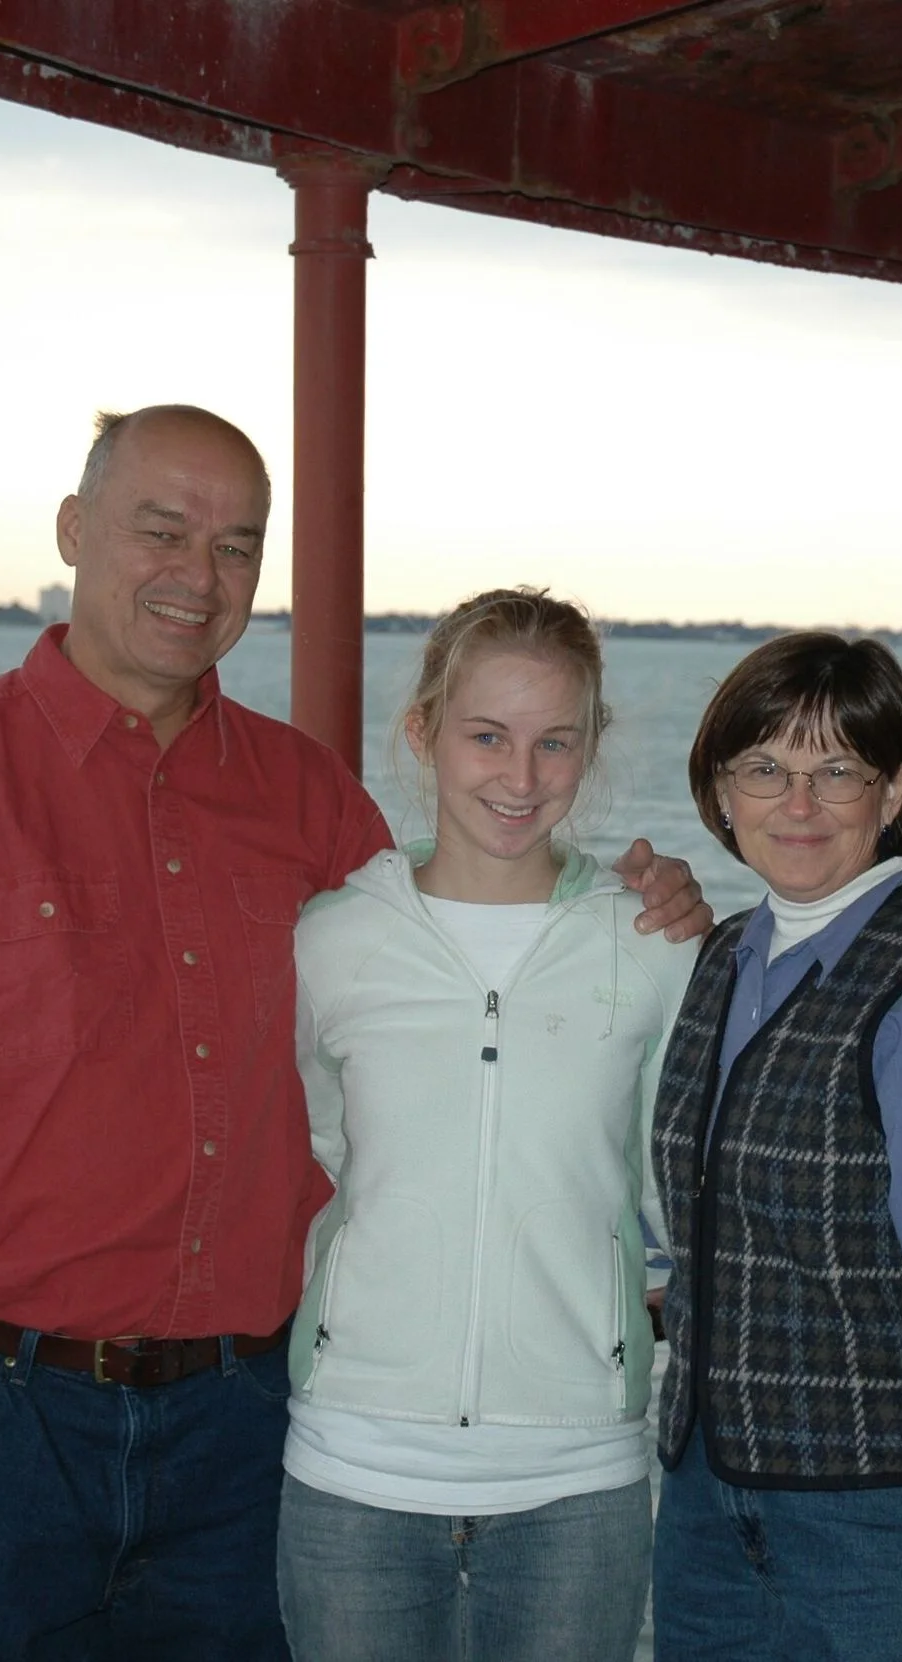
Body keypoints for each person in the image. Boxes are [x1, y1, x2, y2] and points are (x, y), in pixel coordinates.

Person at [0, 406, 706, 1657]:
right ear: (76, 530)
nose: (200, 574)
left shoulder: (305, 801)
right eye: (162, 530)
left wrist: (632, 898)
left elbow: (461, 934)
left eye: (238, 546)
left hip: (251, 1425)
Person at [276, 587, 695, 1662]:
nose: (520, 778)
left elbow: (675, 1179)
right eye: (487, 737)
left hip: (578, 1478)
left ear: (591, 745)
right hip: (354, 1467)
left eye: (555, 742)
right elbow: (320, 1153)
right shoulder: (331, 941)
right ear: (422, 733)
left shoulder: (652, 941)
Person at [648, 632, 902, 1662]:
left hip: (877, 1527)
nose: (798, 803)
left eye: (837, 770)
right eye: (766, 768)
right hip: (705, 1504)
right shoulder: (725, 957)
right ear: (721, 789)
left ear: (895, 789)